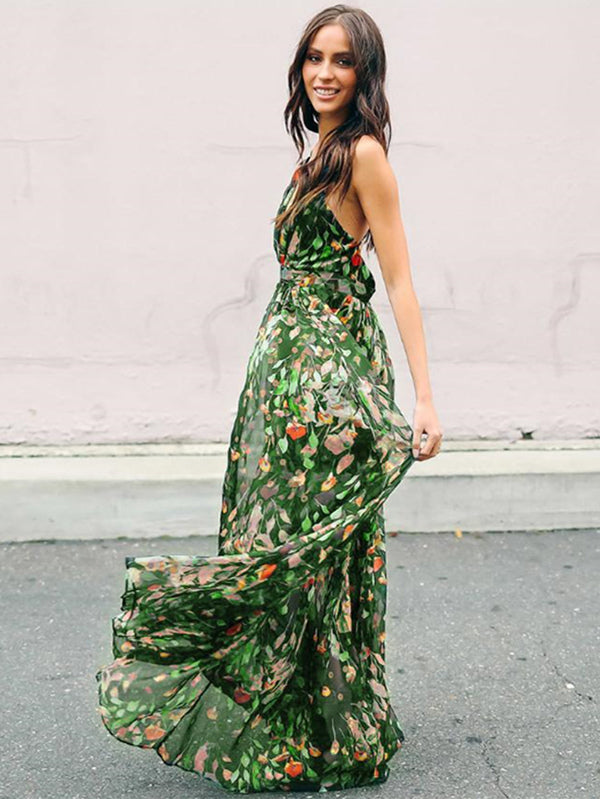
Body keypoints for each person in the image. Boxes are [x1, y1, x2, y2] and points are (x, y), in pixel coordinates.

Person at [95, 4, 443, 794]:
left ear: (365, 75)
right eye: (315, 57)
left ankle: (318, 726)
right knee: (276, 547)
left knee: (305, 552)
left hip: (324, 391)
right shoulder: (318, 150)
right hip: (281, 386)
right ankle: (290, 717)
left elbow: (400, 281)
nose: (325, 72)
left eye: (342, 61)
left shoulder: (362, 155)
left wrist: (425, 397)